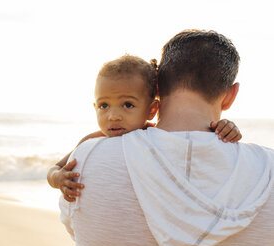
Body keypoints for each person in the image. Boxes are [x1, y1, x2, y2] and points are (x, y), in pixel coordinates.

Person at [58, 29, 274, 246]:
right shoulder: (269, 170)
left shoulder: (86, 159)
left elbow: (74, 227)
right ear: (230, 96)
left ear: (157, 88)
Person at [47, 55, 241, 202]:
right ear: (95, 107)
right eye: (104, 105)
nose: (113, 115)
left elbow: (193, 142)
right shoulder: (91, 141)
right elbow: (55, 168)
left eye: (128, 105)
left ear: (152, 110)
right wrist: (59, 179)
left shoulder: (156, 134)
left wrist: (224, 127)